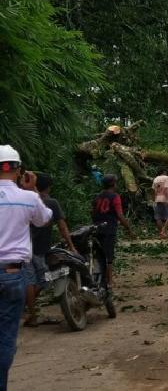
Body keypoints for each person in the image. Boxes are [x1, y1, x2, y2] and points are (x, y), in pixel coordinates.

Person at [0, 145, 52, 390]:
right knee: (5, 337)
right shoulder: (27, 198)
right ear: (18, 169)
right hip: (12, 274)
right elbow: (44, 219)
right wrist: (32, 190)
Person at [23, 173, 77, 328]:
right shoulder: (51, 203)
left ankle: (30, 313)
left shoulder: (25, 201)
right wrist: (72, 246)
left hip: (24, 247)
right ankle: (28, 309)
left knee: (30, 281)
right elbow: (62, 226)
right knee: (44, 279)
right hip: (40, 249)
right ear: (48, 187)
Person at [92, 175, 134, 286]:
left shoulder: (97, 196)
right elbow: (120, 215)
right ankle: (109, 280)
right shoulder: (115, 197)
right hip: (109, 228)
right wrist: (128, 229)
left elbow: (93, 212)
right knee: (108, 255)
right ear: (113, 184)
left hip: (96, 228)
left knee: (99, 254)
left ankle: (101, 278)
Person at [152, 169, 168, 239]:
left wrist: (154, 200)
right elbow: (166, 190)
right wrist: (167, 200)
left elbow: (154, 191)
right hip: (165, 198)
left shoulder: (155, 179)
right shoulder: (166, 178)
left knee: (158, 217)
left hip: (157, 199)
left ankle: (162, 234)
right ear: (164, 172)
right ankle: (163, 231)